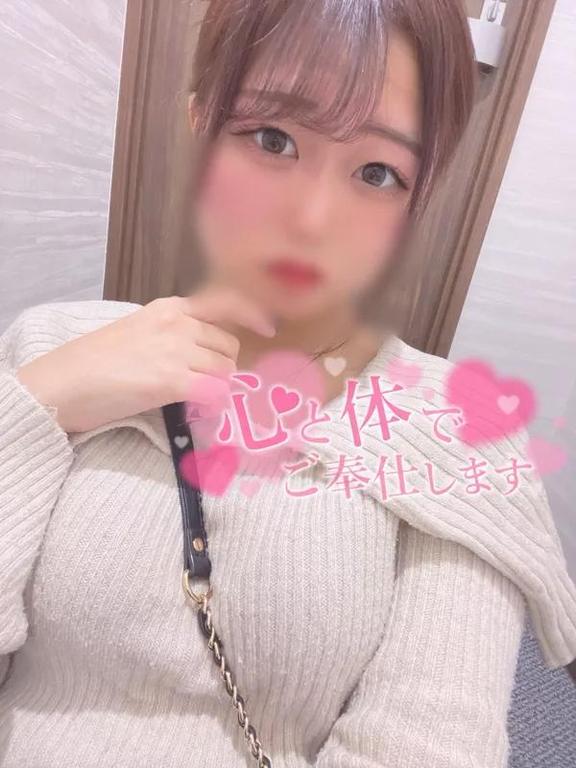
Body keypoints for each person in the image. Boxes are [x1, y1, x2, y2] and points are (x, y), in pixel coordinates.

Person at [1, 1, 575, 766]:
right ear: (201, 127)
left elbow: (425, 747)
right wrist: (37, 403)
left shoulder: (457, 432)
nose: (311, 219)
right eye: (273, 139)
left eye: (377, 173)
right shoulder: (55, 347)